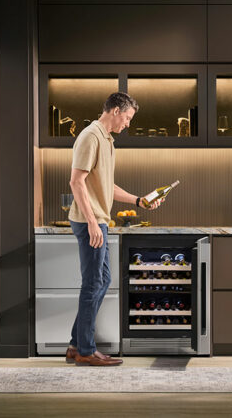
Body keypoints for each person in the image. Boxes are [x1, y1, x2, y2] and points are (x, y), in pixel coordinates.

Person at [66, 92, 162, 366]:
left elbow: (105, 185)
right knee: (93, 283)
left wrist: (139, 201)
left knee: (103, 280)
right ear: (117, 110)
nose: (128, 124)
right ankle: (85, 350)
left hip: (98, 220)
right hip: (89, 222)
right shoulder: (90, 136)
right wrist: (94, 222)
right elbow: (76, 182)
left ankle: (76, 345)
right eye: (128, 118)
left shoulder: (108, 141)